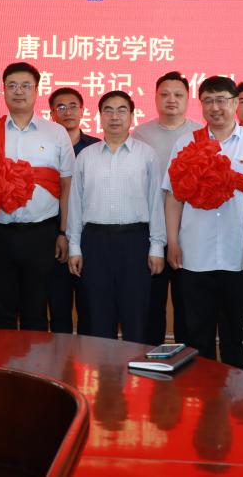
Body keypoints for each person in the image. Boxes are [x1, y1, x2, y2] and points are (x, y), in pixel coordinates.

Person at [163, 76, 243, 366]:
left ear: (235, 103)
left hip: (240, 256)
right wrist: (172, 241)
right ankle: (200, 391)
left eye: (222, 100)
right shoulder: (186, 142)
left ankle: (237, 392)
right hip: (195, 255)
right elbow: (174, 196)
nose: (215, 107)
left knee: (239, 337)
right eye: (208, 101)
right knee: (196, 334)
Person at [0, 62, 75, 330]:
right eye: (12, 86)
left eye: (26, 86)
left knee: (36, 311)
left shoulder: (56, 133)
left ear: (37, 91)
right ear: (4, 90)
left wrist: (63, 232)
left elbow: (67, 186)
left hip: (41, 234)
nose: (19, 91)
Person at [67, 91, 166, 343]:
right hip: (95, 241)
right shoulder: (86, 156)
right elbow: (75, 204)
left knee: (136, 316)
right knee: (98, 315)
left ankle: (136, 367)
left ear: (132, 116)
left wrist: (157, 246)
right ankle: (103, 368)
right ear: (100, 117)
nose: (114, 117)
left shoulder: (146, 155)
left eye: (122, 110)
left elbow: (156, 202)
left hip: (135, 241)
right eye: (108, 111)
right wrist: (74, 247)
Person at [132, 71, 202, 345]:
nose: (171, 99)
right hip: (149, 231)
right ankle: (150, 359)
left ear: (188, 98)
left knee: (188, 305)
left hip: (190, 231)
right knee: (151, 303)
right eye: (165, 94)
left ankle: (187, 361)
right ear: (155, 98)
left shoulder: (200, 134)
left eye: (178, 94)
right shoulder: (140, 134)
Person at [47, 87, 101, 334]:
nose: (67, 112)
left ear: (82, 111)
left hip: (89, 236)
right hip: (52, 236)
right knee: (58, 305)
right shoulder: (45, 147)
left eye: (73, 106)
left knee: (90, 305)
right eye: (61, 107)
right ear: (52, 114)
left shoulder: (97, 148)